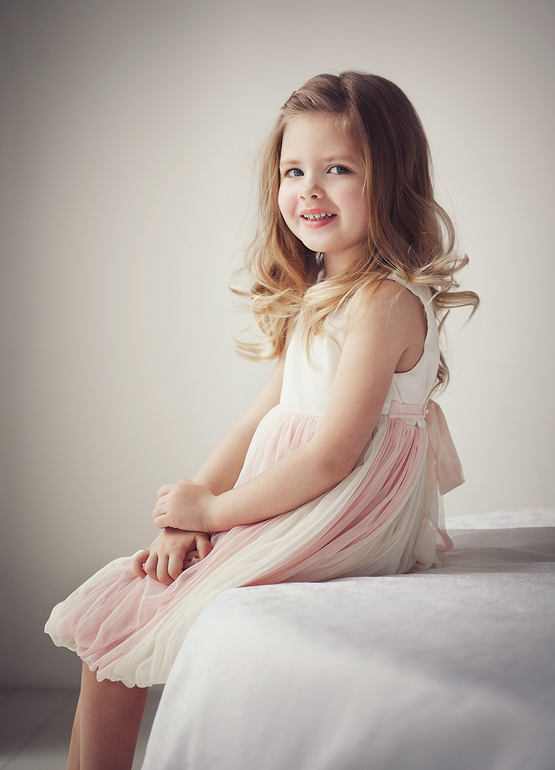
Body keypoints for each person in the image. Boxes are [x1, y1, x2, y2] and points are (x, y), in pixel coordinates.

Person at [45, 71, 478, 769]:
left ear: (392, 180)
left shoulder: (383, 302)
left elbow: (332, 456)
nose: (309, 190)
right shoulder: (326, 294)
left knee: (125, 616)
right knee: (123, 609)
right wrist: (188, 510)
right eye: (294, 171)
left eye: (338, 169)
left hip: (338, 509)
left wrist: (216, 512)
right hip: (302, 497)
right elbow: (258, 420)